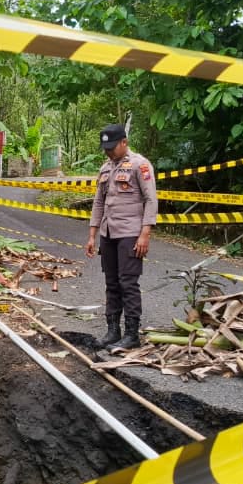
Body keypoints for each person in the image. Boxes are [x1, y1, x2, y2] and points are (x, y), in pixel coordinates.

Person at [85, 123, 158, 352]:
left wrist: (145, 234)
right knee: (112, 283)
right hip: (108, 233)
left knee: (128, 283)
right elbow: (98, 202)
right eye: (105, 148)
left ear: (124, 142)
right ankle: (112, 331)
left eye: (112, 147)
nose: (108, 151)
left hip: (130, 233)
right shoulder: (105, 168)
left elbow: (151, 200)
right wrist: (92, 234)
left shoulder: (140, 165)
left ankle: (131, 334)